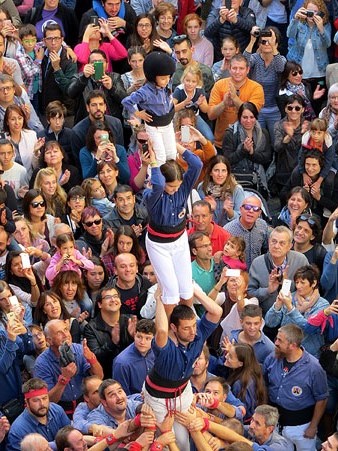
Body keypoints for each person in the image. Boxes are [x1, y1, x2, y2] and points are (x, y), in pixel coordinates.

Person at [142, 286, 222, 450]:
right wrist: (158, 300)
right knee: (165, 440)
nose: (193, 331)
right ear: (174, 328)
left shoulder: (198, 333)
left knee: (184, 441)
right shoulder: (165, 345)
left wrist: (193, 290)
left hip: (183, 391)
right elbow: (162, 330)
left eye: (193, 325)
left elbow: (216, 311)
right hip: (159, 398)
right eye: (186, 328)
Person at [143, 141, 202, 313]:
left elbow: (197, 164)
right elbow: (159, 185)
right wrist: (154, 163)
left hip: (180, 240)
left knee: (186, 290)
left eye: (177, 186)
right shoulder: (152, 195)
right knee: (171, 292)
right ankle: (169, 327)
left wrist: (173, 143)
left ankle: (185, 322)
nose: (175, 190)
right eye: (171, 186)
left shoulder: (182, 190)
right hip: (158, 245)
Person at [263, 324, 328, 451]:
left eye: (280, 340)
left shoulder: (313, 368)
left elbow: (322, 398)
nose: (275, 342)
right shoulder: (273, 358)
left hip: (301, 427)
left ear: (292, 345)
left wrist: (313, 426)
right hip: (275, 422)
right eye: (276, 338)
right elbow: (264, 382)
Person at [33, 319, 104, 415]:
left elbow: (99, 376)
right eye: (59, 333)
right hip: (60, 411)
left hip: (85, 405)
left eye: (66, 330)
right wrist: (64, 379)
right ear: (49, 340)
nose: (65, 335)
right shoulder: (41, 364)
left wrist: (92, 360)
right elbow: (47, 400)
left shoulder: (79, 349)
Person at [122, 51, 176, 167]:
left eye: (168, 78)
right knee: (159, 157)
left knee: (172, 154)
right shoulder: (145, 91)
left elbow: (173, 63)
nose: (166, 81)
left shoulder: (167, 83)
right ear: (153, 77)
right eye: (163, 79)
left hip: (168, 123)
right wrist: (138, 113)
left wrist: (170, 52)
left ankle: (170, 179)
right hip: (154, 126)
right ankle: (154, 179)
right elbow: (126, 101)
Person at [265, 265, 329, 357]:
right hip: (285, 351)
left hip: (308, 354)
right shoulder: (290, 297)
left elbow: (308, 327)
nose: (298, 286)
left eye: (302, 283)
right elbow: (270, 322)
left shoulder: (322, 304)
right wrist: (278, 304)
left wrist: (290, 308)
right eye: (297, 282)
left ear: (314, 283)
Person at [208, 54, 265, 150]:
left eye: (241, 68)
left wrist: (235, 98)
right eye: (234, 68)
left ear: (247, 70)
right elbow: (211, 115)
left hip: (248, 143)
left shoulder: (256, 88)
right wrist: (224, 103)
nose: (237, 72)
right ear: (229, 69)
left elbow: (252, 113)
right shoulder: (219, 85)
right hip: (222, 142)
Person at [248, 226, 309, 315]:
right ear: (269, 242)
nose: (276, 246)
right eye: (274, 241)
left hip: (292, 315)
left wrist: (286, 284)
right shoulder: (257, 263)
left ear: (290, 246)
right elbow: (250, 293)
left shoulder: (300, 260)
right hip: (266, 316)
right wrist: (268, 290)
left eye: (282, 243)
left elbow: (309, 289)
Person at [287, 0, 331, 115]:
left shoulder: (325, 25)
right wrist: (295, 19)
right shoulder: (300, 23)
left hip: (319, 72)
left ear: (321, 13)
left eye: (316, 12)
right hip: (300, 73)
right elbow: (289, 34)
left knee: (316, 104)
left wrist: (321, 27)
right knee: (300, 105)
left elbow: (328, 44)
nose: (312, 15)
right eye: (310, 11)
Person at [83, 283, 136, 378]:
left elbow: (141, 351)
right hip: (107, 376)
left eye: (115, 296)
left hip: (131, 372)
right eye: (108, 297)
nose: (113, 299)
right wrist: (112, 343)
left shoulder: (130, 320)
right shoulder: (91, 328)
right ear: (99, 304)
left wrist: (133, 338)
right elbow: (95, 358)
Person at [244, 26, 286, 141]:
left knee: (276, 142)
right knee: (258, 141)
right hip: (256, 108)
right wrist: (252, 40)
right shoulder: (255, 58)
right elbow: (243, 63)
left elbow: (281, 68)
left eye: (271, 41)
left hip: (274, 109)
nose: (267, 44)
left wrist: (272, 46)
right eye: (264, 41)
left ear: (276, 43)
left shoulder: (280, 59)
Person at [7, 378, 70, 451]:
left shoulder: (57, 410)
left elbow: (70, 435)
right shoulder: (18, 430)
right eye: (36, 400)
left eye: (44, 398)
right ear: (27, 403)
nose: (42, 404)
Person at [222, 102, 271, 196]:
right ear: (239, 118)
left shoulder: (263, 133)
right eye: (245, 117)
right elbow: (227, 160)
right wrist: (243, 150)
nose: (248, 121)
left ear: (256, 117)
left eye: (252, 117)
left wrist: (252, 153)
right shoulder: (230, 133)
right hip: (236, 179)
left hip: (258, 179)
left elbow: (267, 158)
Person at [68, 49, 127, 124]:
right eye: (93, 62)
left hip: (110, 122)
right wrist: (84, 78)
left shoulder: (114, 77)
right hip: (87, 122)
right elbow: (71, 93)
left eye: (100, 62)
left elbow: (125, 100)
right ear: (88, 64)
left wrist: (112, 88)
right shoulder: (79, 77)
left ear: (107, 64)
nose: (97, 64)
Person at [71, 90, 124, 165]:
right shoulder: (77, 132)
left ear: (105, 107)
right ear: (87, 108)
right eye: (94, 105)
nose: (98, 108)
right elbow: (79, 162)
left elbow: (121, 152)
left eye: (101, 104)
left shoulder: (116, 123)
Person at [273, 94, 308, 196]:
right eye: (290, 108)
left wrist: (303, 134)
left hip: (302, 170)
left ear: (302, 110)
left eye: (297, 108)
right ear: (285, 109)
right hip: (284, 169)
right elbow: (277, 148)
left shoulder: (307, 125)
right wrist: (288, 136)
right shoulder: (279, 125)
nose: (293, 111)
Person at [224, 342, 267, 422]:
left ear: (240, 364)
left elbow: (243, 412)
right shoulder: (252, 370)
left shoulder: (241, 384)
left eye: (230, 356)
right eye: (227, 353)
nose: (226, 357)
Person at [197, 155, 246, 227]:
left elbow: (242, 219)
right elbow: (198, 217)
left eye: (223, 171)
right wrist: (210, 209)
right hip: (209, 230)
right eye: (216, 170)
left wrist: (230, 212)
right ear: (210, 172)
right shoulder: (202, 187)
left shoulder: (237, 190)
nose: (220, 175)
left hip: (230, 232)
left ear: (227, 173)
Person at [223, 196, 269, 269]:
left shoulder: (263, 225)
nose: (251, 211)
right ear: (241, 209)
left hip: (257, 272)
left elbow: (266, 249)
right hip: (236, 274)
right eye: (247, 207)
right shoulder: (228, 230)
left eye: (256, 209)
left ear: (259, 213)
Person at [40, 23, 77, 113]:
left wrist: (57, 69)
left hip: (63, 111)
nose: (53, 43)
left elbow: (69, 89)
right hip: (43, 109)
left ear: (62, 40)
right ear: (44, 40)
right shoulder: (40, 53)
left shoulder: (69, 59)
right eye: (49, 39)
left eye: (56, 38)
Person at [112, 318, 155, 395]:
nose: (142, 342)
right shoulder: (122, 363)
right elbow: (123, 396)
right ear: (134, 334)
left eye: (147, 338)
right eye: (139, 337)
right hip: (135, 403)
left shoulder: (159, 353)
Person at [173, 63, 214, 142]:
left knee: (210, 138)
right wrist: (184, 103)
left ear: (197, 82)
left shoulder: (199, 90)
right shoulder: (179, 90)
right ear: (183, 79)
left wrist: (200, 103)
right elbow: (172, 108)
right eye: (187, 81)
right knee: (185, 139)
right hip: (181, 118)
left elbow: (205, 110)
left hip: (195, 116)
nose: (190, 84)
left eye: (193, 81)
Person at [3, 104, 41, 179]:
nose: (17, 122)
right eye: (13, 119)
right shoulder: (2, 139)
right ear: (7, 122)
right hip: (9, 180)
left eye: (20, 118)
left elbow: (37, 166)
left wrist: (36, 153)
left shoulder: (31, 135)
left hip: (30, 178)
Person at [37, 101, 74, 165]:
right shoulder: (40, 136)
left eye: (60, 118)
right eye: (54, 118)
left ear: (64, 119)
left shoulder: (71, 134)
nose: (57, 122)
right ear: (48, 120)